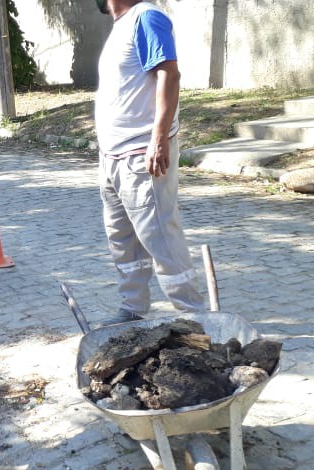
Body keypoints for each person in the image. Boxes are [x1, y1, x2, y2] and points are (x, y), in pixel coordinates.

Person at [93, 0, 205, 327]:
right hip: (113, 157)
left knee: (161, 237)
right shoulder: (123, 26)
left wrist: (158, 138)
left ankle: (196, 318)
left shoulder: (147, 16)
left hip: (141, 155)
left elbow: (169, 74)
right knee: (122, 240)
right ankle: (133, 309)